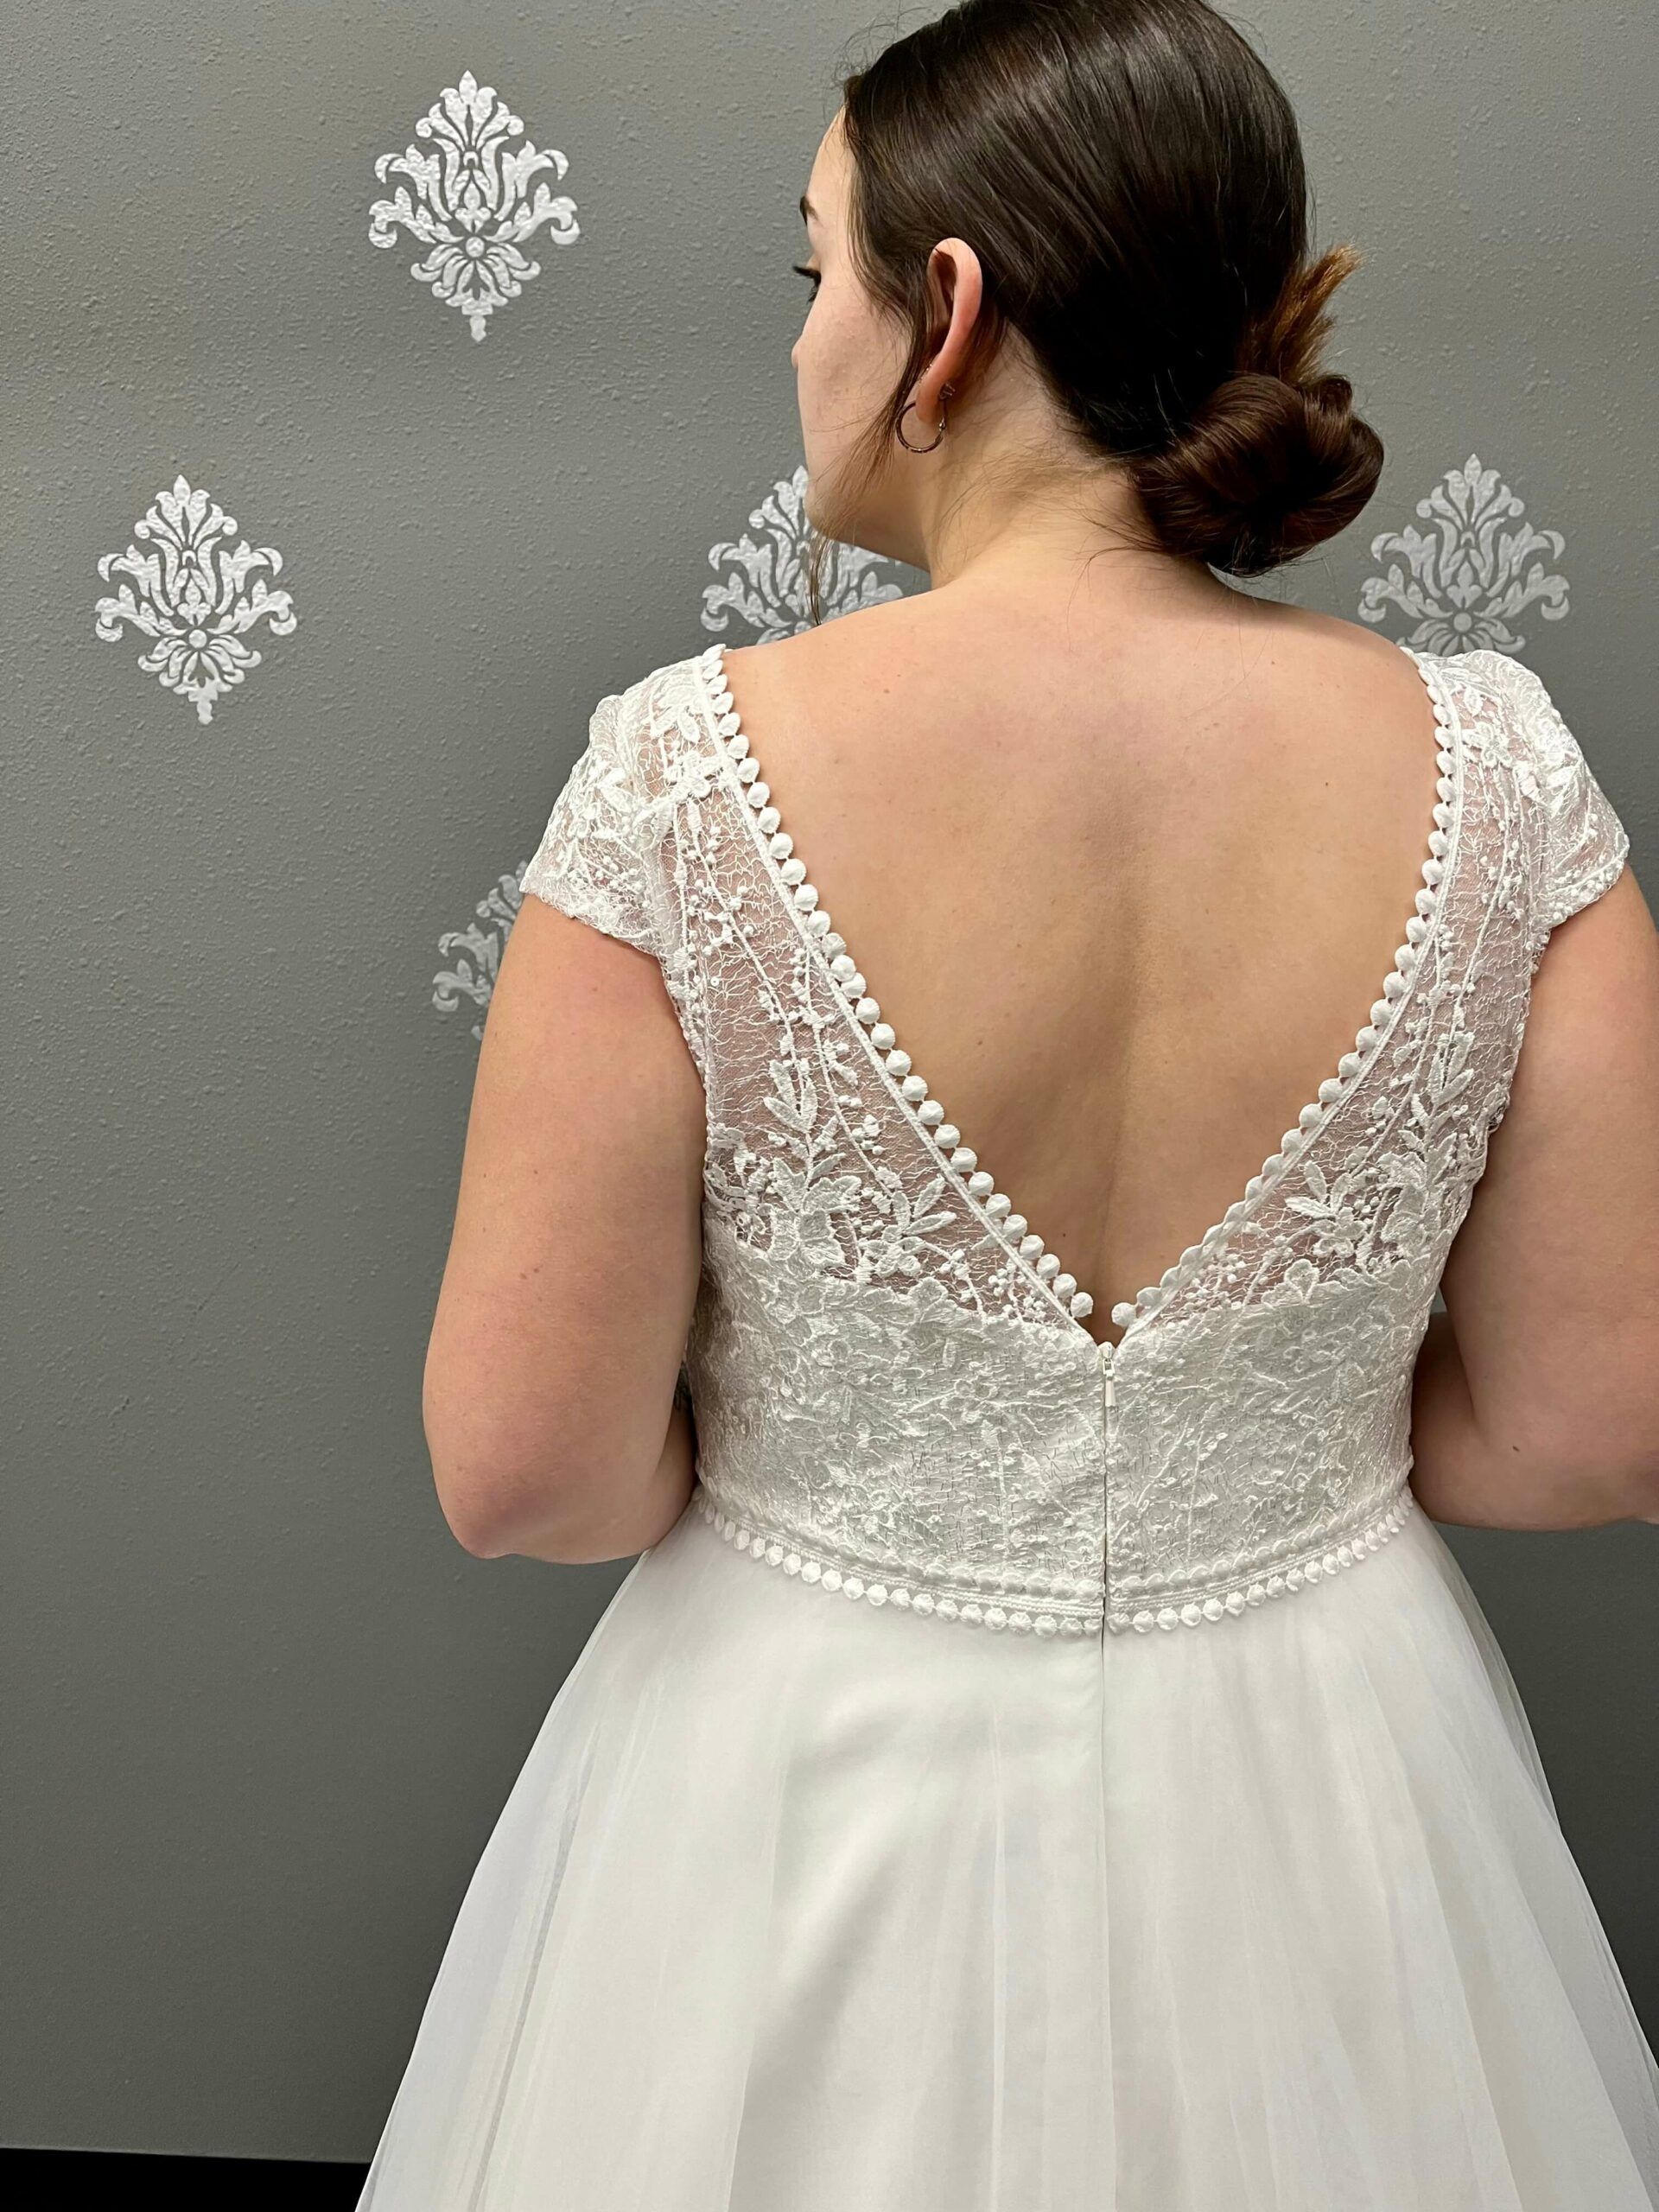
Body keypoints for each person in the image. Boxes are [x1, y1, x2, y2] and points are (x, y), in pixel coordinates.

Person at [356, 3, 1659, 2203]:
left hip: (795, 1793)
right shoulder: (1508, 776)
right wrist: (1281, 1445)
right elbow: (1594, 1424)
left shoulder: (682, 776)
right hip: (1339, 1789)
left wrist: (848, 1462)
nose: (801, 348)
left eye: (817, 275)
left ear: (943, 315)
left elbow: (527, 1474)